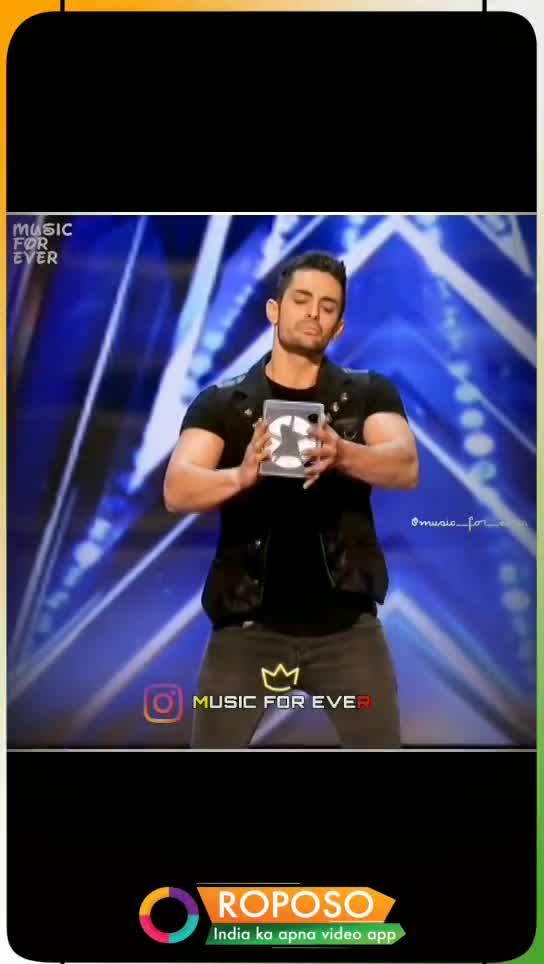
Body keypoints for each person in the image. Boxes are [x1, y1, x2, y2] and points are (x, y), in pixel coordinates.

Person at [163, 250, 419, 748]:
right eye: (301, 299)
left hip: (348, 630)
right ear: (274, 310)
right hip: (246, 630)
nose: (313, 313)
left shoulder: (367, 393)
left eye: (328, 306)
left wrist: (343, 453)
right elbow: (178, 487)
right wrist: (240, 476)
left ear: (339, 326)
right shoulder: (223, 403)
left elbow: (405, 464)